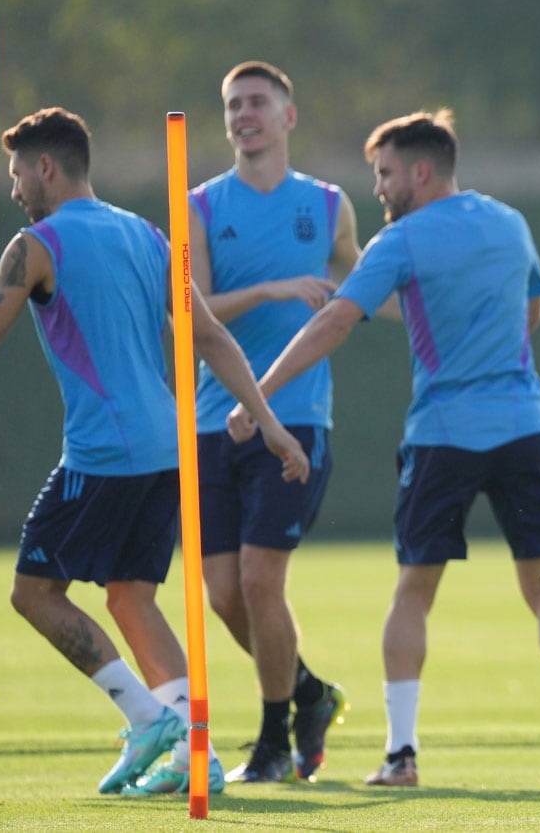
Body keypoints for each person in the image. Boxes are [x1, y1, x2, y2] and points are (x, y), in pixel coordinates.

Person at [225, 109, 540, 788]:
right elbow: (532, 313)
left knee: (415, 588)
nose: (381, 187)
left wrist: (259, 395)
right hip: (522, 425)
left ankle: (400, 754)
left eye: (386, 173)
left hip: (443, 433)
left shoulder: (401, 239)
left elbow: (335, 319)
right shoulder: (510, 222)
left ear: (421, 172)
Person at [0, 107, 309, 795]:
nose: (13, 188)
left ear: (46, 167)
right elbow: (213, 336)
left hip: (105, 453)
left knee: (34, 593)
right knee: (132, 599)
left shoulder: (34, 244)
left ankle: (146, 718)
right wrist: (269, 422)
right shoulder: (146, 234)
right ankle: (200, 755)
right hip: (170, 448)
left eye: (16, 173)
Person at [138, 61, 357, 789]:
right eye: (233, 104)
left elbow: (361, 289)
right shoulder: (199, 205)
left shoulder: (328, 206)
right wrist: (273, 287)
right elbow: (188, 310)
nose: (243, 114)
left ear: (288, 115)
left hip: (295, 417)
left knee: (263, 579)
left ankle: (273, 745)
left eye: (257, 102)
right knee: (225, 594)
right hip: (209, 421)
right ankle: (309, 693)